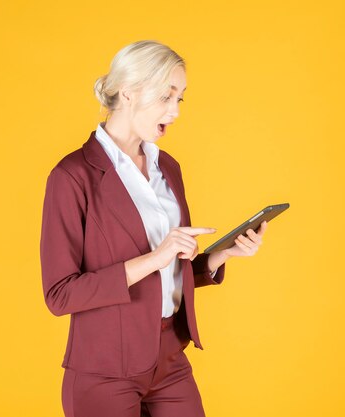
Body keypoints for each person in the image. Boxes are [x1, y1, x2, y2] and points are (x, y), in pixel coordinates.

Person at [39, 40, 268, 417]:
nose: (175, 112)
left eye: (181, 99)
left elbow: (168, 270)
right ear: (128, 93)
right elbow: (60, 295)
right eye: (167, 97)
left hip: (169, 359)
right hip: (104, 368)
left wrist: (220, 255)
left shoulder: (169, 168)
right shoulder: (72, 176)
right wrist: (155, 257)